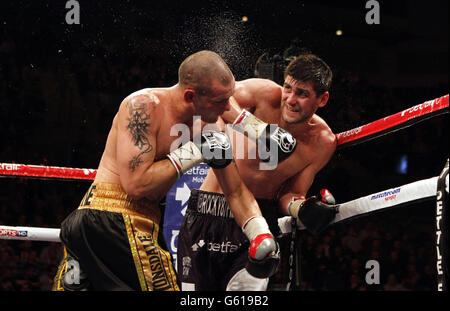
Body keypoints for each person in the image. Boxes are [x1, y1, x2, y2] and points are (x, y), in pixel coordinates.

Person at [52, 50, 287, 291]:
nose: (228, 107)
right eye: (220, 101)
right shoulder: (144, 106)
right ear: (190, 95)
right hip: (115, 217)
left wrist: (259, 233)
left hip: (121, 222)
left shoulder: (210, 128)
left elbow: (235, 190)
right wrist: (195, 150)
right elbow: (136, 185)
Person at [177, 53, 337, 291]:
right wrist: (258, 129)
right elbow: (215, 100)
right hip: (208, 211)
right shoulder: (264, 93)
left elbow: (290, 193)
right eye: (288, 88)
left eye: (302, 94)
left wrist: (302, 208)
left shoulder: (322, 142)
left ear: (322, 99)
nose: (291, 100)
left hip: (259, 221)